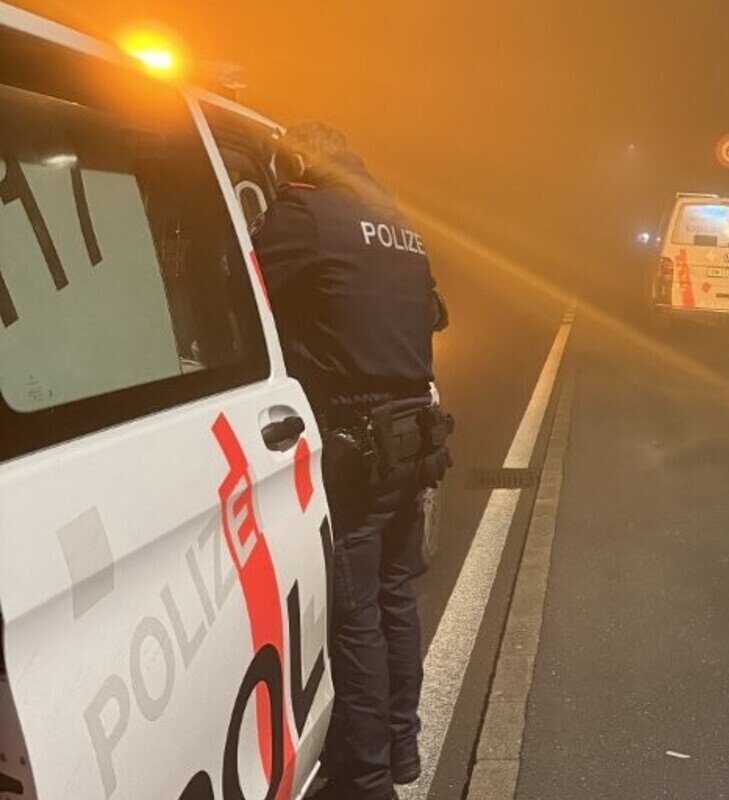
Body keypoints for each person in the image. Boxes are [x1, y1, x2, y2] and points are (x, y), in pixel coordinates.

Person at [253, 122, 449, 798]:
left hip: (358, 444)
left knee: (356, 612)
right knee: (396, 596)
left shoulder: (306, 213)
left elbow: (236, 281)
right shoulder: (400, 222)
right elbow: (436, 314)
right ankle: (402, 748)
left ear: (299, 160)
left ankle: (366, 779)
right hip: (413, 438)